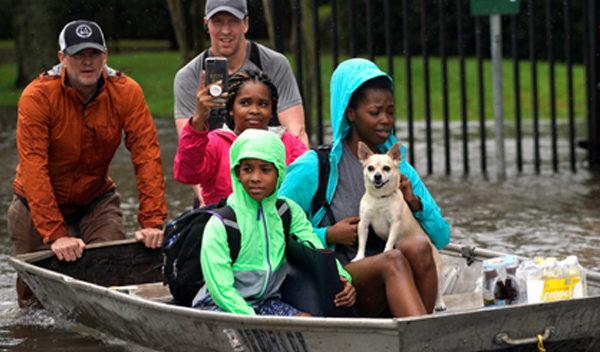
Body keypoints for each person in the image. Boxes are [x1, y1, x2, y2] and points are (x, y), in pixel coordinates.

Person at [7, 20, 167, 308]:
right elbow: (33, 168)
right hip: (34, 206)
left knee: (114, 282)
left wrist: (152, 221)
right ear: (62, 58)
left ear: (105, 56)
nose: (87, 62)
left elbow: (146, 155)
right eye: (79, 54)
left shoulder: (127, 92)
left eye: (94, 53)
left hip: (95, 200)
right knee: (34, 309)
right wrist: (56, 235)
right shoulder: (37, 96)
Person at [279, 58, 451, 317]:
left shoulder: (397, 168)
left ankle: (415, 333)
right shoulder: (314, 166)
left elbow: (441, 238)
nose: (385, 120)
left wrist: (414, 204)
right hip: (340, 282)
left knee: (418, 247)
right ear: (350, 113)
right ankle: (422, 340)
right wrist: (328, 235)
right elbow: (274, 226)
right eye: (375, 112)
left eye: (390, 112)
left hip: (393, 283)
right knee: (393, 259)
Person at [192, 129, 355, 315]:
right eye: (247, 169)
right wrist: (251, 319)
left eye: (265, 170)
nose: (255, 178)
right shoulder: (222, 223)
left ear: (280, 173)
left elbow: (314, 246)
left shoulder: (287, 211)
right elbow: (220, 289)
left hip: (265, 302)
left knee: (306, 321)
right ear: (237, 173)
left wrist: (342, 277)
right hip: (220, 306)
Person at [174, 0, 308, 206]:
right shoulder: (188, 77)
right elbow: (190, 159)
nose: (225, 30)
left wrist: (288, 203)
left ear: (245, 24)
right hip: (216, 194)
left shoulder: (274, 64)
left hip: (274, 192)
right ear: (206, 24)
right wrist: (210, 207)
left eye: (233, 22)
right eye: (217, 21)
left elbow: (296, 131)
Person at [174, 70, 307, 206]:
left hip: (277, 223)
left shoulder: (290, 144)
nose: (254, 110)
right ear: (231, 109)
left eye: (263, 104)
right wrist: (198, 118)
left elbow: (308, 185)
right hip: (223, 223)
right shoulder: (215, 142)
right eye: (245, 103)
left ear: (272, 111)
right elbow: (187, 173)